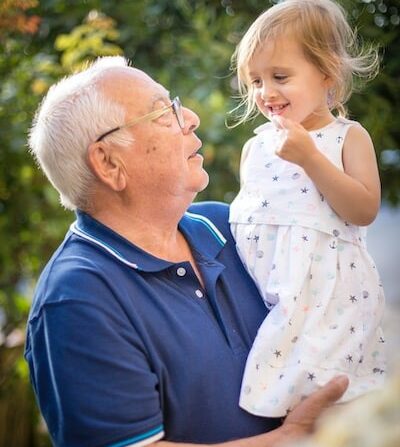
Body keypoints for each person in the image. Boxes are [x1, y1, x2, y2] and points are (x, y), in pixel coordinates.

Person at [24, 56, 348, 447]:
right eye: (163, 112)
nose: (190, 117)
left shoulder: (232, 227)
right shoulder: (77, 299)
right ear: (109, 163)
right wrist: (290, 440)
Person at [229, 0, 386, 419]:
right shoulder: (255, 147)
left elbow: (364, 208)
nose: (266, 92)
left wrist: (310, 160)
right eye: (255, 80)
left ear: (326, 74)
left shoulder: (347, 137)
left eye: (280, 76)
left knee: (328, 404)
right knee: (276, 408)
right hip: (269, 299)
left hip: (329, 303)